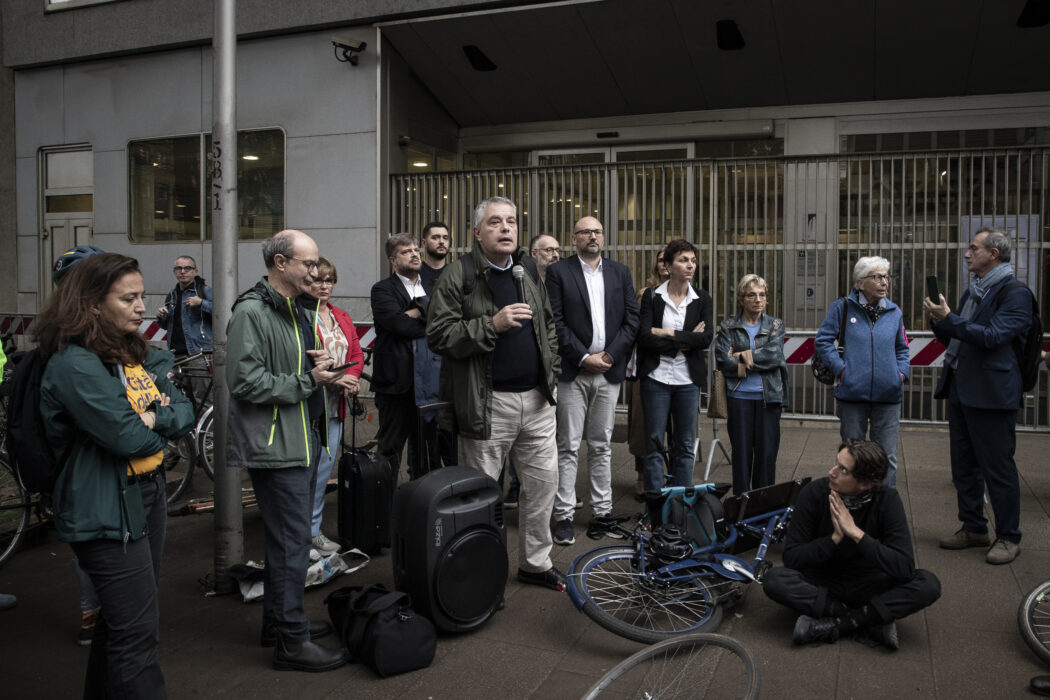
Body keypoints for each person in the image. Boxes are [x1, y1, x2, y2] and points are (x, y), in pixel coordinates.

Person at [36, 253, 196, 697]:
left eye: (142, 296)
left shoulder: (130, 352)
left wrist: (153, 418)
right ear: (91, 303)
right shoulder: (75, 363)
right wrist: (153, 419)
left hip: (145, 494)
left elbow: (183, 412)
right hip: (105, 507)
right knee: (137, 635)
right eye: (128, 298)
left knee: (119, 625)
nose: (142, 307)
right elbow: (132, 440)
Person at [426, 195, 565, 592]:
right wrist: (493, 324)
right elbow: (438, 335)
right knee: (482, 495)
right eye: (494, 223)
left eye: (510, 222)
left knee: (541, 489)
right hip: (488, 404)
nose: (505, 228)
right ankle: (478, 568)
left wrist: (550, 373)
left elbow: (549, 327)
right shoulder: (460, 274)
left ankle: (535, 564)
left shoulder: (528, 273)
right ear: (476, 232)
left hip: (537, 402)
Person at [226, 230, 348, 671]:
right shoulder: (252, 311)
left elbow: (286, 369)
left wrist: (320, 370)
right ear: (281, 264)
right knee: (292, 543)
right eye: (308, 264)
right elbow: (244, 381)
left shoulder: (292, 310)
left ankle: (277, 623)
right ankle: (292, 642)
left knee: (286, 543)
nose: (315, 273)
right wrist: (307, 381)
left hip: (297, 439)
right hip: (276, 445)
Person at [763, 440, 942, 649]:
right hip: (824, 582)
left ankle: (835, 624)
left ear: (865, 484)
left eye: (843, 470)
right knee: (774, 579)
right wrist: (833, 540)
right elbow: (792, 558)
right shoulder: (814, 493)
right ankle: (867, 622)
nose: (832, 472)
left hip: (870, 583)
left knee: (928, 584)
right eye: (836, 463)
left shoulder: (887, 500)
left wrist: (857, 534)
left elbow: (903, 567)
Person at [923, 227, 1033, 565]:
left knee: (997, 468)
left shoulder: (1016, 294)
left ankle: (1009, 536)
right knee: (964, 467)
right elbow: (959, 337)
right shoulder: (976, 291)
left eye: (974, 249)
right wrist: (939, 321)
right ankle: (974, 528)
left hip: (992, 394)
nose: (967, 254)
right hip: (963, 387)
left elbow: (992, 337)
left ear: (993, 254)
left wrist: (951, 319)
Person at [547, 216, 639, 545]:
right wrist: (584, 358)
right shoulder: (559, 273)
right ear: (574, 238)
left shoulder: (620, 272)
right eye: (586, 231)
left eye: (598, 231)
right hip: (574, 372)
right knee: (568, 446)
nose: (592, 236)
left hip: (608, 371)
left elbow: (632, 320)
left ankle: (601, 513)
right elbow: (555, 322)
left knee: (601, 446)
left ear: (604, 236)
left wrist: (610, 356)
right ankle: (564, 516)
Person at [815, 256, 909, 488]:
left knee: (887, 458)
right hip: (851, 396)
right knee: (852, 457)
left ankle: (884, 510)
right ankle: (853, 505)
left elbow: (902, 348)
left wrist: (900, 374)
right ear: (860, 283)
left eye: (886, 277)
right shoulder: (843, 308)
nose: (884, 282)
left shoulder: (894, 312)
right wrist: (841, 370)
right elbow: (823, 341)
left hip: (888, 396)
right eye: (877, 277)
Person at [636, 239, 713, 492]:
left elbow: (705, 338)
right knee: (654, 444)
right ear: (668, 266)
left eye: (692, 260)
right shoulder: (652, 296)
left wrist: (668, 333)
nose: (690, 265)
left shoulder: (702, 299)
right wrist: (685, 339)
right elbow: (645, 338)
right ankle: (656, 507)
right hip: (656, 378)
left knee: (685, 446)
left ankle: (680, 506)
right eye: (683, 260)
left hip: (687, 381)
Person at [305, 257, 364, 554]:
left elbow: (356, 351)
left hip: (335, 407)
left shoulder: (340, 315)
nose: (324, 285)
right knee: (304, 473)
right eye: (318, 280)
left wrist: (351, 379)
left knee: (322, 472)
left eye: (329, 280)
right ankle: (299, 534)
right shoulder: (301, 316)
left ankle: (313, 531)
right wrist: (333, 381)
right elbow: (303, 361)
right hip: (308, 406)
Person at [370, 233, 439, 479]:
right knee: (390, 451)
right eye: (405, 251)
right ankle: (384, 512)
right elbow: (398, 325)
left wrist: (413, 313)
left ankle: (421, 506)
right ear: (392, 260)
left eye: (415, 250)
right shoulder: (382, 290)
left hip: (430, 384)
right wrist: (425, 314)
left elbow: (443, 323)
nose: (414, 254)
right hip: (396, 385)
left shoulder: (433, 286)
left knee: (427, 453)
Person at [714, 274, 788, 495]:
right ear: (741, 299)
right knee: (741, 456)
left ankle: (763, 507)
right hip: (739, 398)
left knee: (766, 457)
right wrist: (754, 359)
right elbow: (723, 360)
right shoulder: (728, 326)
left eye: (762, 295)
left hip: (769, 398)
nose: (758, 299)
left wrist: (741, 355)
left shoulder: (775, 325)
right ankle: (741, 507)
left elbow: (775, 356)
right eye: (751, 295)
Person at [626, 248, 670, 500]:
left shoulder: (689, 294)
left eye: (669, 259)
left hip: (677, 371)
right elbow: (644, 333)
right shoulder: (646, 293)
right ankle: (642, 477)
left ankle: (666, 475)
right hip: (647, 368)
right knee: (644, 427)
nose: (664, 264)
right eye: (661, 260)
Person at [155, 255, 213, 356]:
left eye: (187, 268)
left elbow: (221, 313)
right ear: (174, 272)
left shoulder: (204, 291)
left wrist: (201, 302)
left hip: (198, 353)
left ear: (195, 271)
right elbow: (165, 326)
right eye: (179, 268)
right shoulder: (172, 295)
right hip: (174, 354)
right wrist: (161, 316)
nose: (182, 271)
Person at [420, 221, 451, 285]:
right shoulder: (414, 273)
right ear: (424, 243)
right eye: (435, 237)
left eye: (445, 238)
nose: (442, 241)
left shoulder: (455, 273)